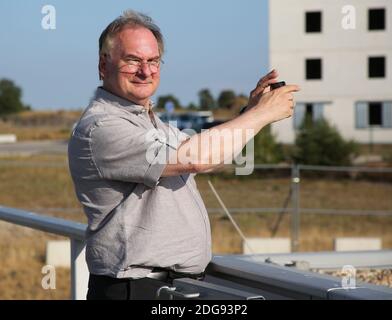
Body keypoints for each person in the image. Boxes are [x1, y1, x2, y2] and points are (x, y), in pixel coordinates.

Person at [68, 9, 299, 300]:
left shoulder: (148, 121)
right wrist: (262, 115)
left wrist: (250, 112)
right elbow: (195, 158)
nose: (145, 71)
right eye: (133, 60)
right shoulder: (103, 126)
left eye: (153, 61)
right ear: (104, 65)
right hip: (135, 288)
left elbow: (210, 154)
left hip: (168, 287)